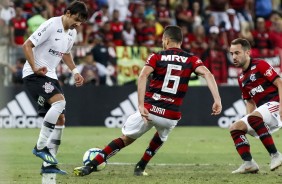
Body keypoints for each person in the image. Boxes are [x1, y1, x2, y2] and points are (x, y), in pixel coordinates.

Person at [73, 25, 222, 176]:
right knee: (161, 136)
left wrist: (140, 104)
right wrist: (217, 100)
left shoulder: (157, 56)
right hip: (171, 115)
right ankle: (140, 167)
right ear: (181, 41)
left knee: (125, 139)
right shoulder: (192, 59)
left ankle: (90, 166)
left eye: (163, 40)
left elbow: (143, 76)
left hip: (150, 109)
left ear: (167, 40)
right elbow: (208, 75)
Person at [22, 1, 88, 175]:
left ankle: (48, 165)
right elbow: (27, 45)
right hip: (34, 74)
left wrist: (75, 71)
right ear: (67, 13)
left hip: (50, 76)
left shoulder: (71, 33)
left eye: (81, 22)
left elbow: (65, 53)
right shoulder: (51, 24)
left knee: (60, 119)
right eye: (76, 19)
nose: (78, 24)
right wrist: (35, 67)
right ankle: (40, 147)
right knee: (59, 103)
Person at [229, 38, 282, 174]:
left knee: (253, 118)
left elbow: (279, 83)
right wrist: (246, 121)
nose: (234, 57)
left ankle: (276, 155)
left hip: (276, 103)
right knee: (235, 128)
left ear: (248, 52)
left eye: (237, 53)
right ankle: (249, 163)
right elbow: (250, 101)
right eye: (231, 54)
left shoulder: (260, 65)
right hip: (263, 111)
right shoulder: (241, 78)